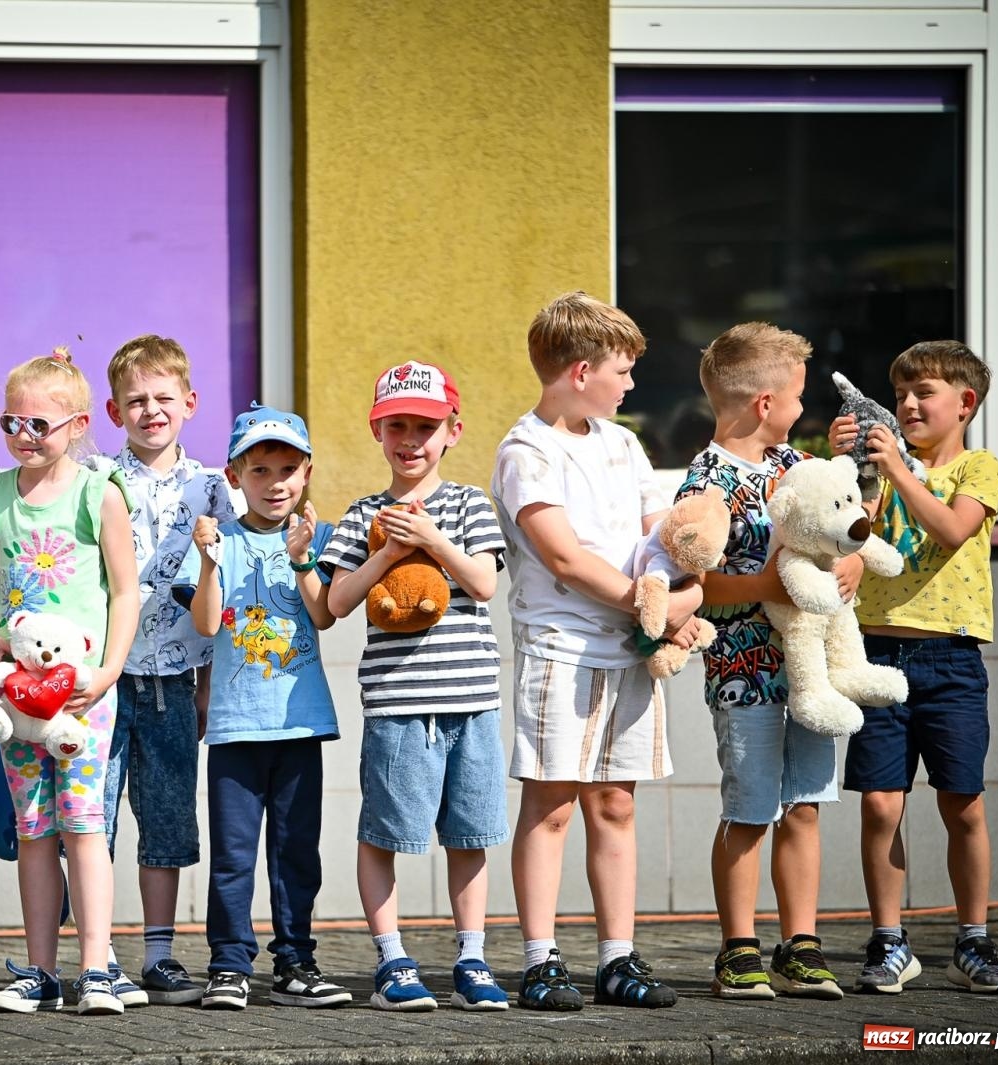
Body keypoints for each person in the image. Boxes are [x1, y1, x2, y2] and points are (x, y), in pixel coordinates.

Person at [491, 293, 695, 1012]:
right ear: (581, 371)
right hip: (562, 651)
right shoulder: (527, 452)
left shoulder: (622, 443)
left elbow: (660, 537)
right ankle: (541, 959)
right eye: (622, 369)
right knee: (550, 806)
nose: (631, 383)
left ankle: (616, 957)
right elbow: (565, 559)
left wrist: (677, 598)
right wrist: (655, 606)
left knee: (615, 802)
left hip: (627, 651)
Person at [830, 340, 998, 996]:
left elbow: (949, 529)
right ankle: (889, 941)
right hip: (878, 653)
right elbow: (849, 526)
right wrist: (842, 462)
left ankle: (973, 938)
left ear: (964, 404)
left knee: (962, 801)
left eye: (924, 393)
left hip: (952, 657)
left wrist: (900, 468)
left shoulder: (980, 466)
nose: (906, 404)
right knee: (881, 803)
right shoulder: (879, 468)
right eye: (900, 392)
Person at [321, 361, 508, 1013]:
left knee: (471, 834)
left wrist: (432, 538)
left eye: (425, 426)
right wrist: (388, 554)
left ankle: (472, 956)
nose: (411, 438)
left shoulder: (467, 505)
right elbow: (333, 602)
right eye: (396, 424)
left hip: (471, 704)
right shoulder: (362, 513)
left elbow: (484, 584)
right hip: (398, 707)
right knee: (383, 833)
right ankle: (392, 959)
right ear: (377, 430)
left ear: (452, 430)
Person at [0, 348, 138, 1015]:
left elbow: (125, 592)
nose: (23, 437)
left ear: (78, 425)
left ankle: (97, 966)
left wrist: (110, 668)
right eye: (12, 422)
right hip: (18, 698)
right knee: (34, 827)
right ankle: (40, 969)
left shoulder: (100, 492)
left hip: (84, 696)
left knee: (84, 824)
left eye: (39, 423)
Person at [678, 323, 849, 1001]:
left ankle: (800, 944)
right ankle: (738, 947)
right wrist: (761, 588)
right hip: (743, 670)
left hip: (809, 666)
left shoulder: (798, 469)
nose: (803, 410)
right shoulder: (705, 479)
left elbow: (841, 526)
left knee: (804, 805)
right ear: (764, 403)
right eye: (799, 396)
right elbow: (698, 580)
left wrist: (857, 556)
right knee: (750, 808)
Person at [188, 404, 349, 1011]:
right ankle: (228, 965)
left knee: (296, 851)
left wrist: (305, 557)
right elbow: (206, 623)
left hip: (300, 722)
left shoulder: (318, 536)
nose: (275, 482)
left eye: (288, 468)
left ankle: (295, 961)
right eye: (260, 470)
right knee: (232, 856)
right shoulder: (217, 540)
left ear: (306, 472)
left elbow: (324, 615)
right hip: (234, 728)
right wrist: (207, 561)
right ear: (235, 476)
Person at [100, 334, 234, 1005]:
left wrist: (211, 681)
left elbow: (227, 589)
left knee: (169, 816)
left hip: (176, 678)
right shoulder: (101, 480)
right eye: (136, 400)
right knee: (92, 818)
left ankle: (158, 953)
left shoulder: (213, 488)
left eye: (162, 397)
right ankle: (97, 955)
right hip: (103, 678)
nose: (150, 410)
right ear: (113, 409)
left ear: (189, 401)